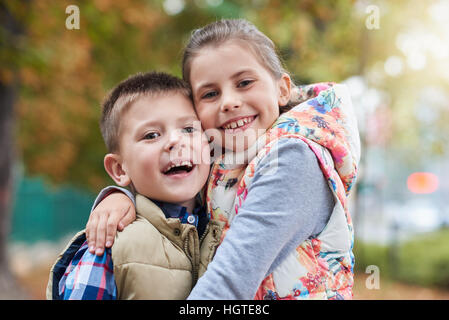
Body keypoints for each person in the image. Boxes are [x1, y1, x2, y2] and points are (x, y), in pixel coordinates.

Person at [86, 19, 361, 300]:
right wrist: (122, 197)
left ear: (282, 89)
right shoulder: (220, 159)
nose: (228, 102)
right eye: (210, 94)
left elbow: (228, 284)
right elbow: (169, 202)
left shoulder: (294, 159)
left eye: (244, 82)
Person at [46, 72, 225, 300]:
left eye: (189, 129)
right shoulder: (109, 246)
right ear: (120, 169)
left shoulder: (225, 222)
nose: (175, 141)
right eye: (151, 135)